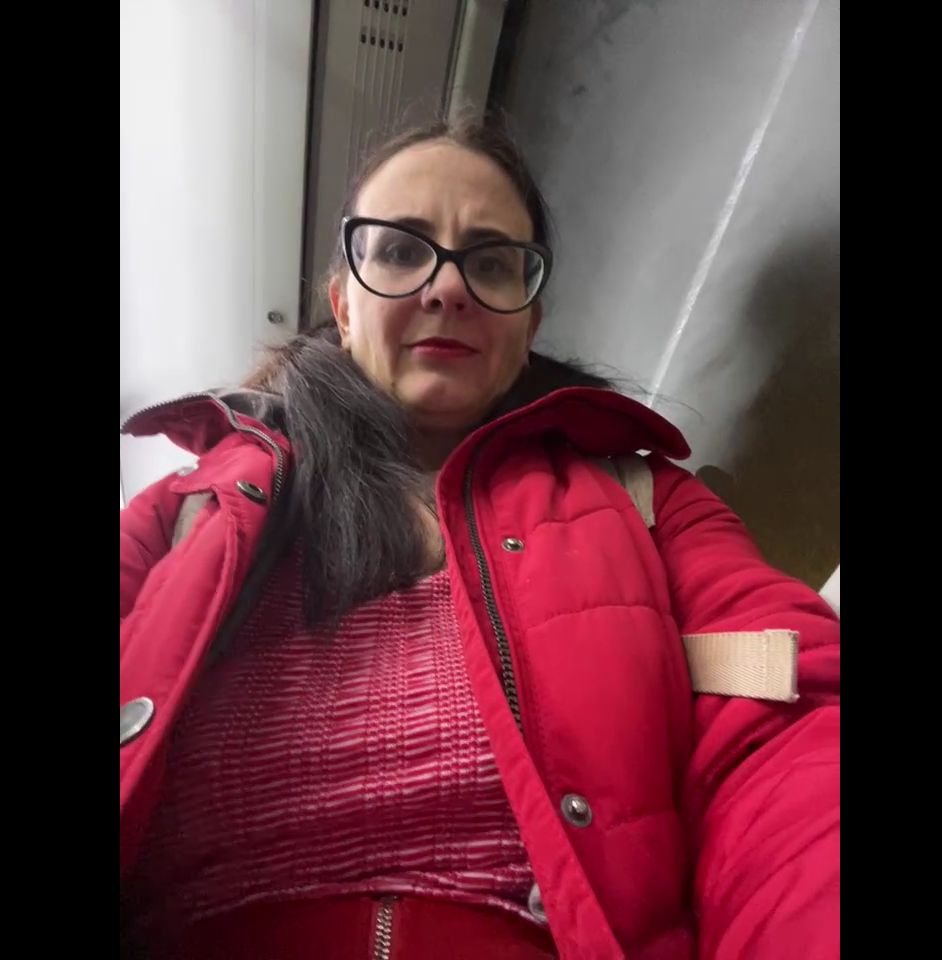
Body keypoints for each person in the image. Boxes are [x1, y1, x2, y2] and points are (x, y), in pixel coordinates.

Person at [120, 115, 840, 960]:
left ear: (528, 326)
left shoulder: (645, 501)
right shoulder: (188, 512)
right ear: (343, 307)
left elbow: (785, 722)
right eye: (401, 251)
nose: (447, 287)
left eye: (492, 262)